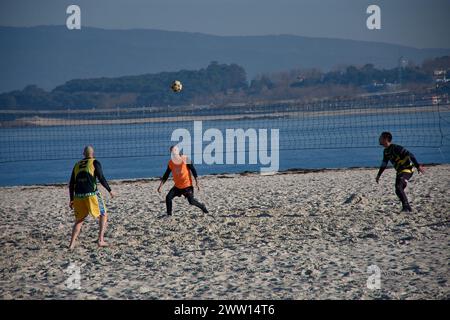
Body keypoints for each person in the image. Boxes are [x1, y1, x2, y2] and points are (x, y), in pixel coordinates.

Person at [68, 146, 116, 249]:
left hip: (78, 196)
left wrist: (71, 199)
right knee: (103, 214)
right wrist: (110, 190)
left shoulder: (77, 165)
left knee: (79, 220)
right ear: (93, 153)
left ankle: (71, 244)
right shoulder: (95, 162)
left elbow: (71, 183)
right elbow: (101, 178)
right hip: (91, 195)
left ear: (83, 154)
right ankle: (101, 240)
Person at [376, 132, 425, 212]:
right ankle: (406, 207)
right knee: (398, 189)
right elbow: (384, 164)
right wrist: (378, 175)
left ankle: (406, 207)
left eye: (380, 138)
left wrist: (418, 166)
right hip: (400, 171)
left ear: (385, 139)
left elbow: (410, 155)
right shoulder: (385, 151)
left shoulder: (396, 148)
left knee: (398, 187)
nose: (379, 139)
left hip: (407, 169)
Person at [157, 145, 208, 216]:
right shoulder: (171, 162)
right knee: (168, 197)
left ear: (178, 151)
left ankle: (202, 207)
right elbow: (166, 174)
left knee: (191, 201)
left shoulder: (185, 158)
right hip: (177, 186)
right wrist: (160, 186)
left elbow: (193, 170)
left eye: (174, 150)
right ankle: (169, 215)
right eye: (171, 151)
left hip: (187, 185)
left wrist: (197, 183)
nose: (173, 152)